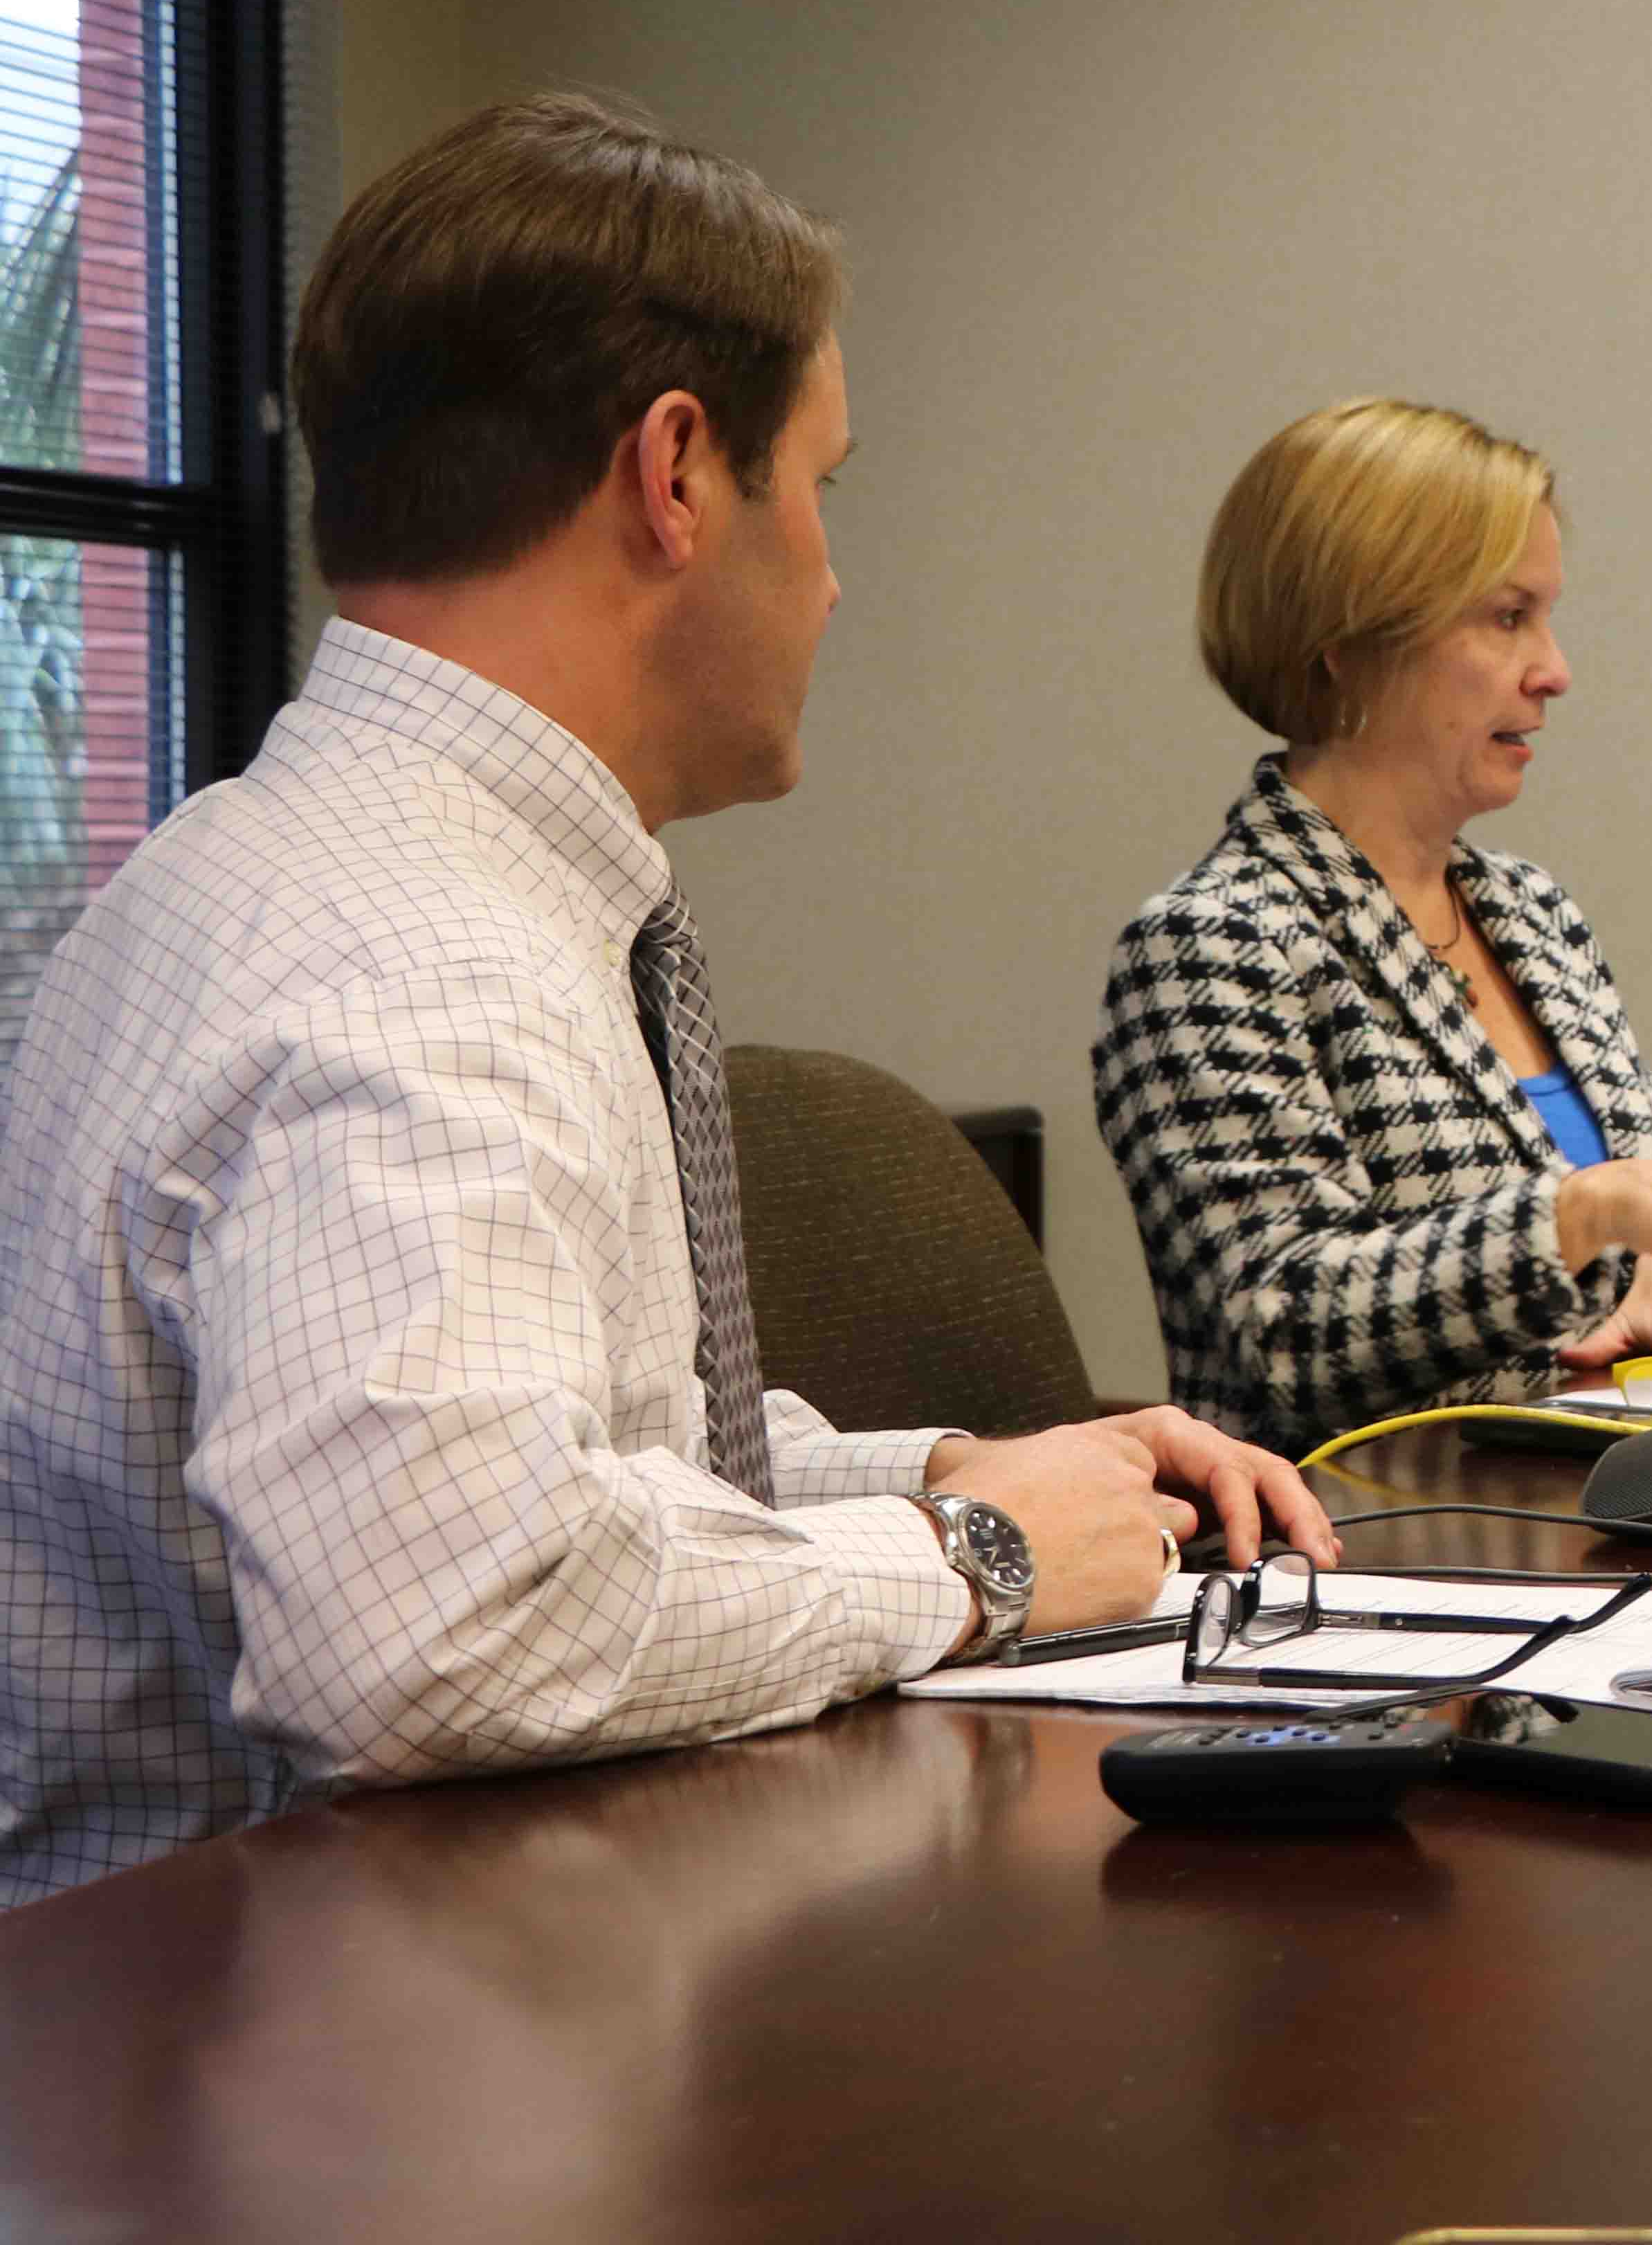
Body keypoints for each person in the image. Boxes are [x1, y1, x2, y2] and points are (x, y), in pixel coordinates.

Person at [0, 93, 1336, 1907]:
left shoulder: (274, 866)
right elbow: (440, 1620)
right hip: (288, 2095)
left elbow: (575, 1469)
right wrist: (974, 1556)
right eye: (824, 488)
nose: (838, 576)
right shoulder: (420, 965)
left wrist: (942, 1467)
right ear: (680, 473)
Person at [1095, 400, 1652, 1455]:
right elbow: (1282, 1330)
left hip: (1611, 1500)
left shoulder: (1531, 911)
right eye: (1508, 618)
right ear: (1350, 644)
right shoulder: (1214, 946)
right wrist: (1580, 1221)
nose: (1554, 670)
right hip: (1374, 1551)